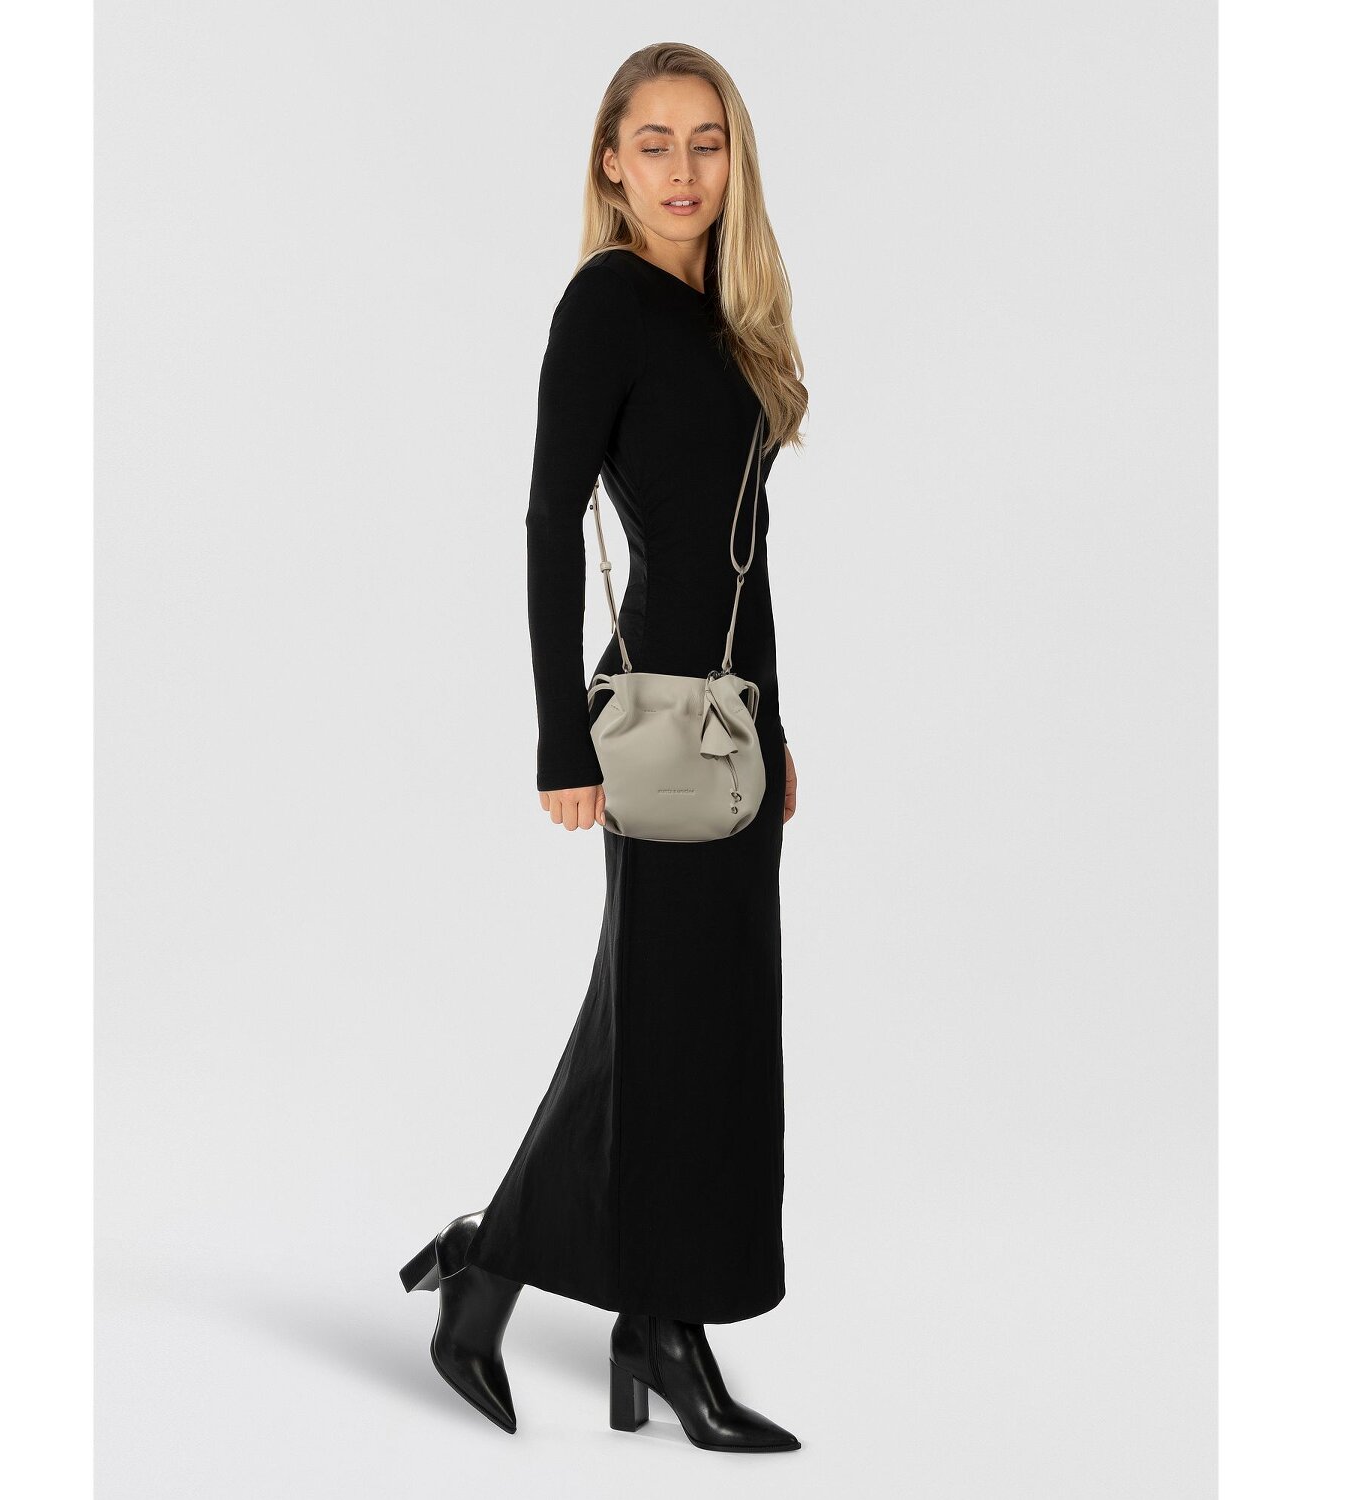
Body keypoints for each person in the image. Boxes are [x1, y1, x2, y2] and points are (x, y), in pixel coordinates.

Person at [399, 42, 807, 1454]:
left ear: (732, 160)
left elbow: (745, 555)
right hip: (649, 729)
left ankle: (515, 1279)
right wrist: (556, 741)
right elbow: (546, 522)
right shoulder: (606, 306)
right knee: (672, 1028)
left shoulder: (728, 319)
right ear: (611, 164)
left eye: (707, 142)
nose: (683, 170)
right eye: (655, 143)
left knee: (681, 1023)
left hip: (729, 728)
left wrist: (777, 725)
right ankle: (646, 1323)